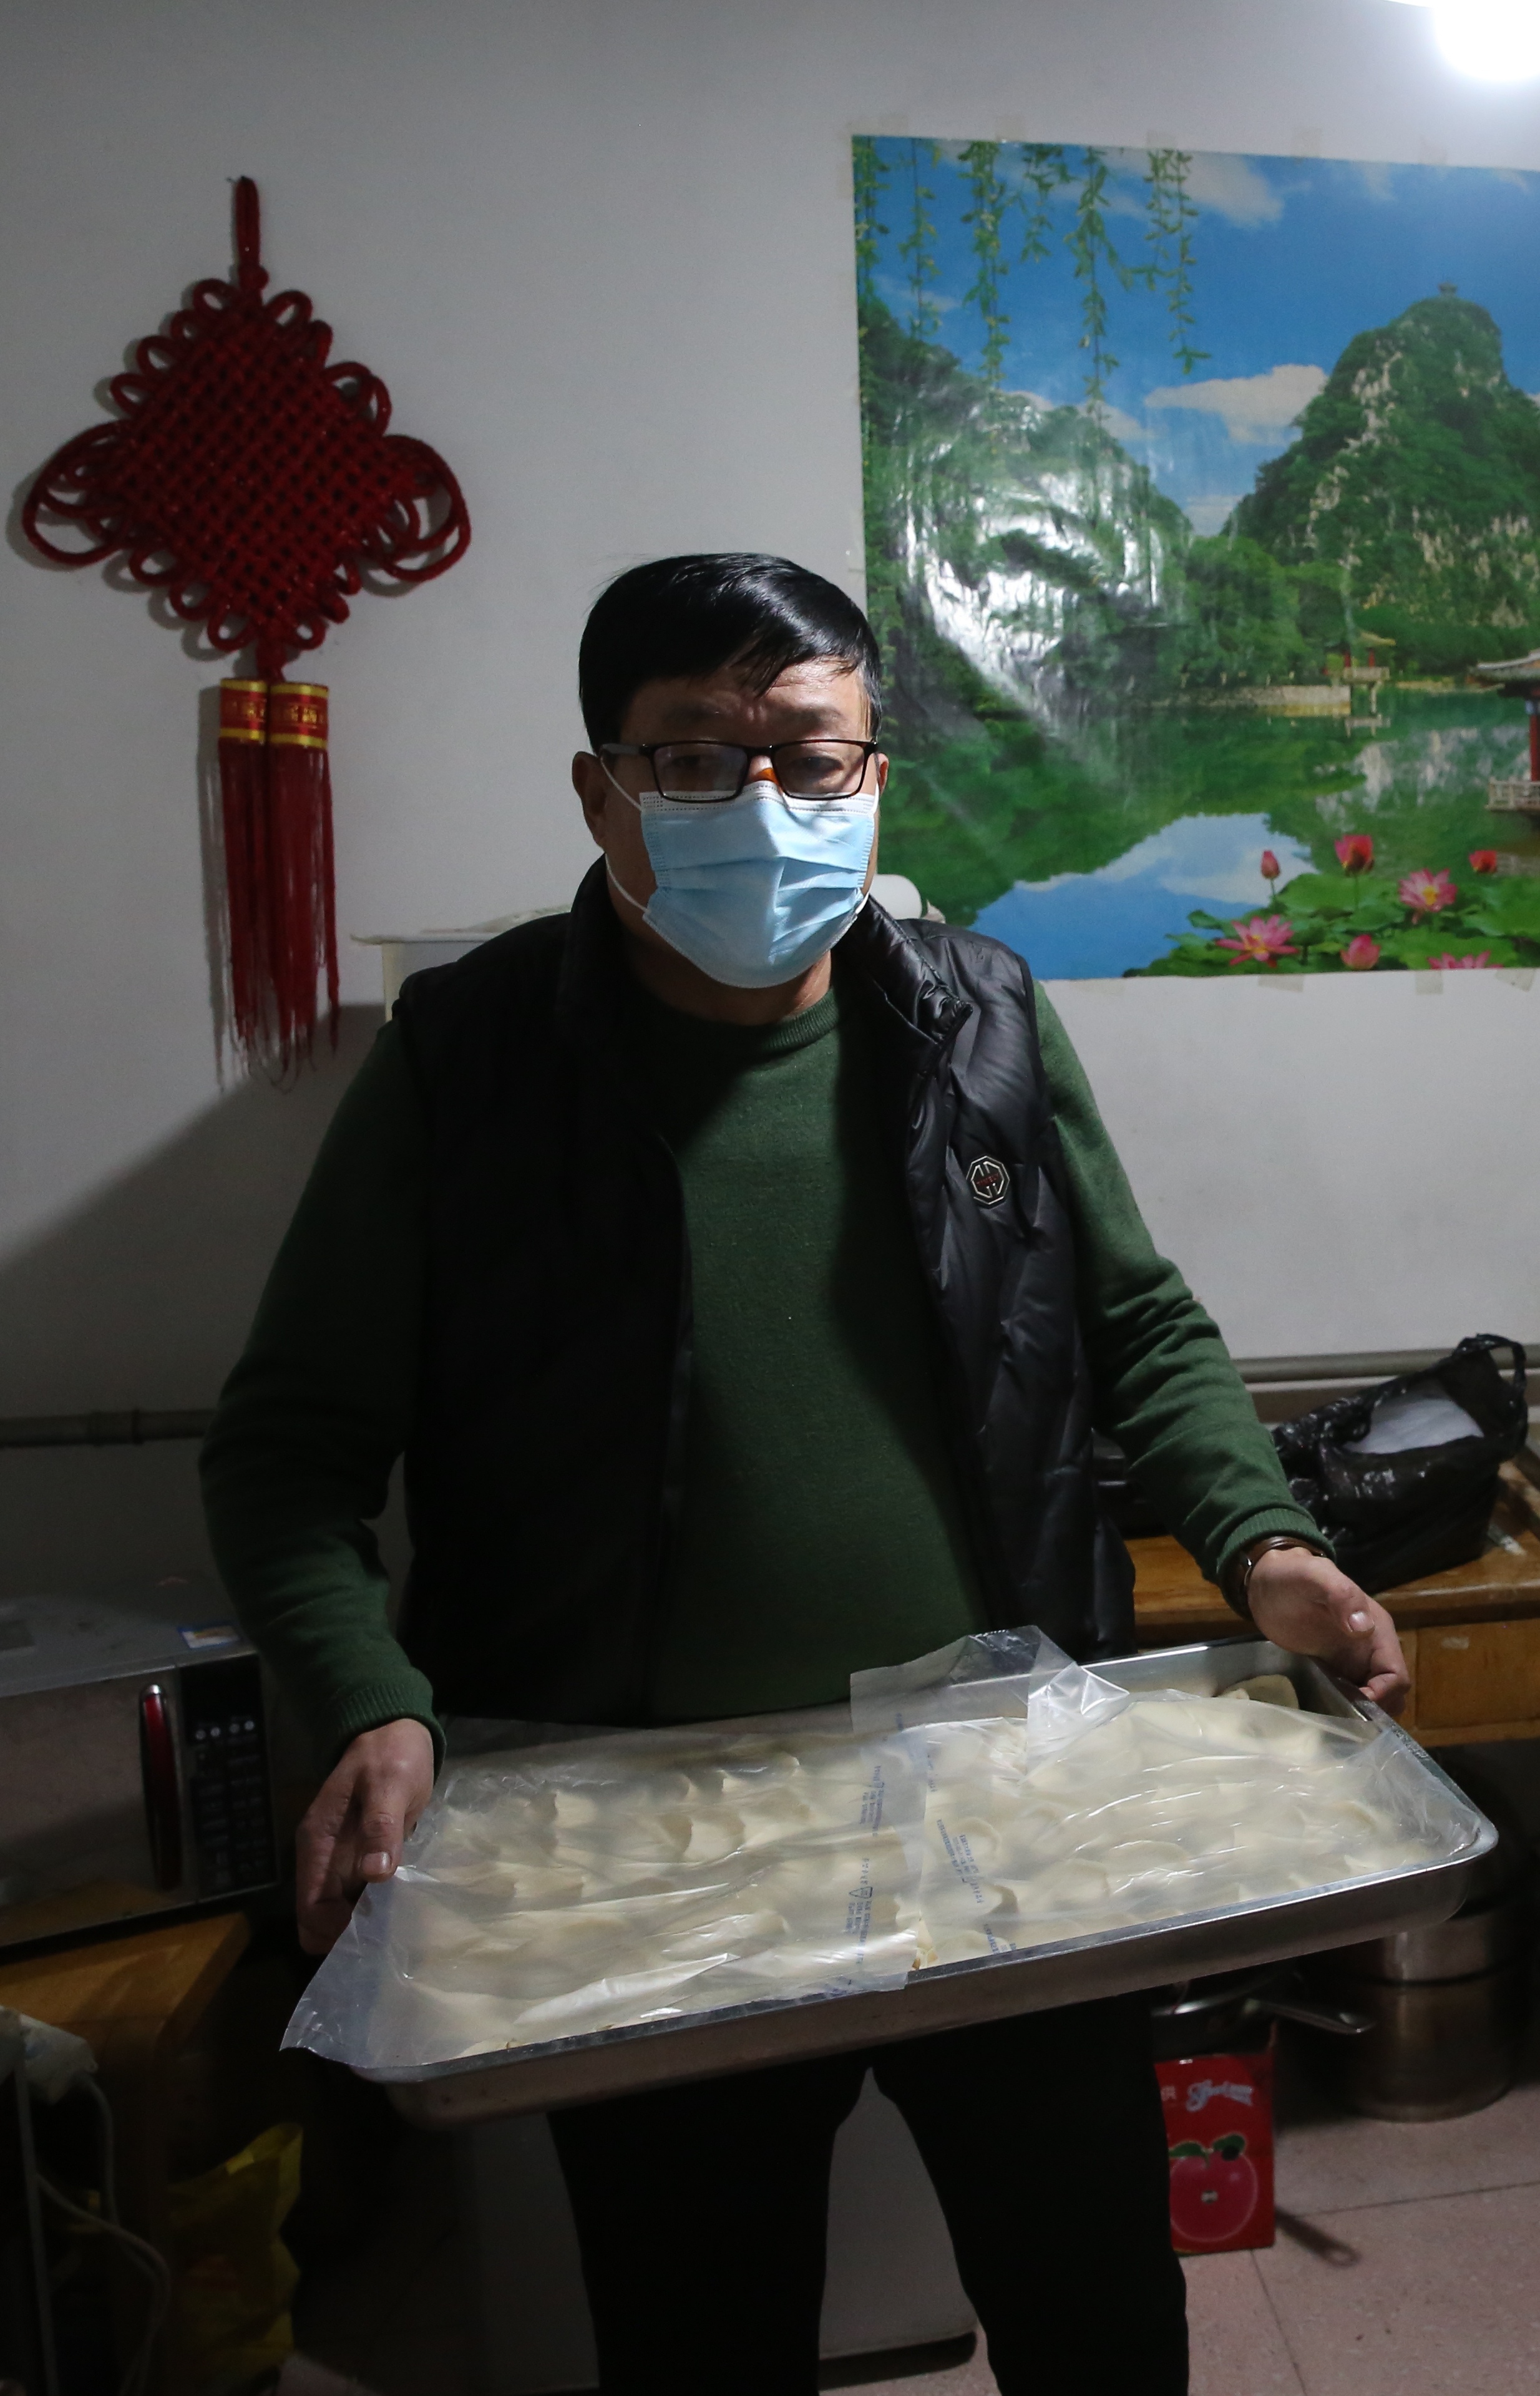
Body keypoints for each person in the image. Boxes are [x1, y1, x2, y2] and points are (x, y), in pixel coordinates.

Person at [202, 552, 1408, 2396]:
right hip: (636, 1840)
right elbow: (290, 1449)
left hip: (1006, 1808)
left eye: (810, 757)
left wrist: (1263, 1542)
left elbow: (1137, 1329)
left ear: (873, 777)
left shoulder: (979, 1018)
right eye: (693, 759)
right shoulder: (472, 1061)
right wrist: (368, 1697)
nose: (760, 805)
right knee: (702, 2334)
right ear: (598, 790)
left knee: (1096, 2311)